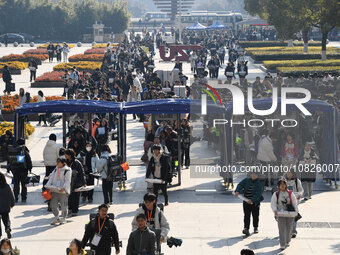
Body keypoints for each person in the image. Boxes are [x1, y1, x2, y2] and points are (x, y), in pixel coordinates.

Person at [271, 178, 298, 250]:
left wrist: (296, 211)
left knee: (289, 229)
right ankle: (282, 244)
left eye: (284, 184)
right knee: (281, 229)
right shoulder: (276, 194)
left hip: (290, 214)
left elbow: (295, 202)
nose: (282, 185)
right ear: (279, 186)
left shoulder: (290, 193)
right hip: (280, 214)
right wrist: (275, 210)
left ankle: (287, 241)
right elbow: (273, 204)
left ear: (286, 185)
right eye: (281, 184)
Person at [235, 171, 264, 236]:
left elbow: (258, 193)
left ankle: (255, 227)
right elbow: (240, 185)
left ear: (257, 176)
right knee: (246, 215)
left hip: (255, 202)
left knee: (255, 215)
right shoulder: (246, 180)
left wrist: (252, 200)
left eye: (255, 174)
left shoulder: (259, 183)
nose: (253, 175)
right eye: (253, 174)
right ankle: (246, 228)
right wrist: (237, 191)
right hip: (246, 200)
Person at [45, 158, 72, 225]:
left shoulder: (67, 170)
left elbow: (68, 181)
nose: (57, 163)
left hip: (63, 191)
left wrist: (64, 187)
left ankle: (63, 218)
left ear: (63, 163)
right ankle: (56, 217)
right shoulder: (55, 169)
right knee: (53, 204)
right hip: (55, 190)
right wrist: (48, 186)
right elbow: (51, 178)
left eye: (59, 162)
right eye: (57, 162)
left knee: (64, 205)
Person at [10, 138, 32, 203]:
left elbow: (10, 159)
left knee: (16, 184)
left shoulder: (14, 150)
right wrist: (30, 168)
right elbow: (28, 160)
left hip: (16, 170)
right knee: (24, 185)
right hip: (23, 170)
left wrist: (11, 168)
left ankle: (15, 197)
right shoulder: (24, 150)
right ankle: (24, 197)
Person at [65, 149, 86, 216]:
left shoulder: (77, 163)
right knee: (69, 196)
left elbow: (81, 173)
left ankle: (75, 210)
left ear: (70, 155)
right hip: (68, 182)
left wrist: (83, 182)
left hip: (76, 182)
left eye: (66, 154)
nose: (65, 156)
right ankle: (70, 208)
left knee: (76, 197)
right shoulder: (65, 163)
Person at [285, 171, 303, 238]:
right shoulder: (283, 180)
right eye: (287, 173)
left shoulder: (297, 181)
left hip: (294, 202)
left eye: (290, 172)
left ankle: (293, 231)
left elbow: (301, 190)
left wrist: (299, 195)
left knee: (294, 217)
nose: (289, 174)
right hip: (286, 202)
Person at [0, 173, 15, 239]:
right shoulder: (7, 186)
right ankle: (7, 228)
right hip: (5, 206)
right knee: (6, 218)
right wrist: (12, 204)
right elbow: (12, 196)